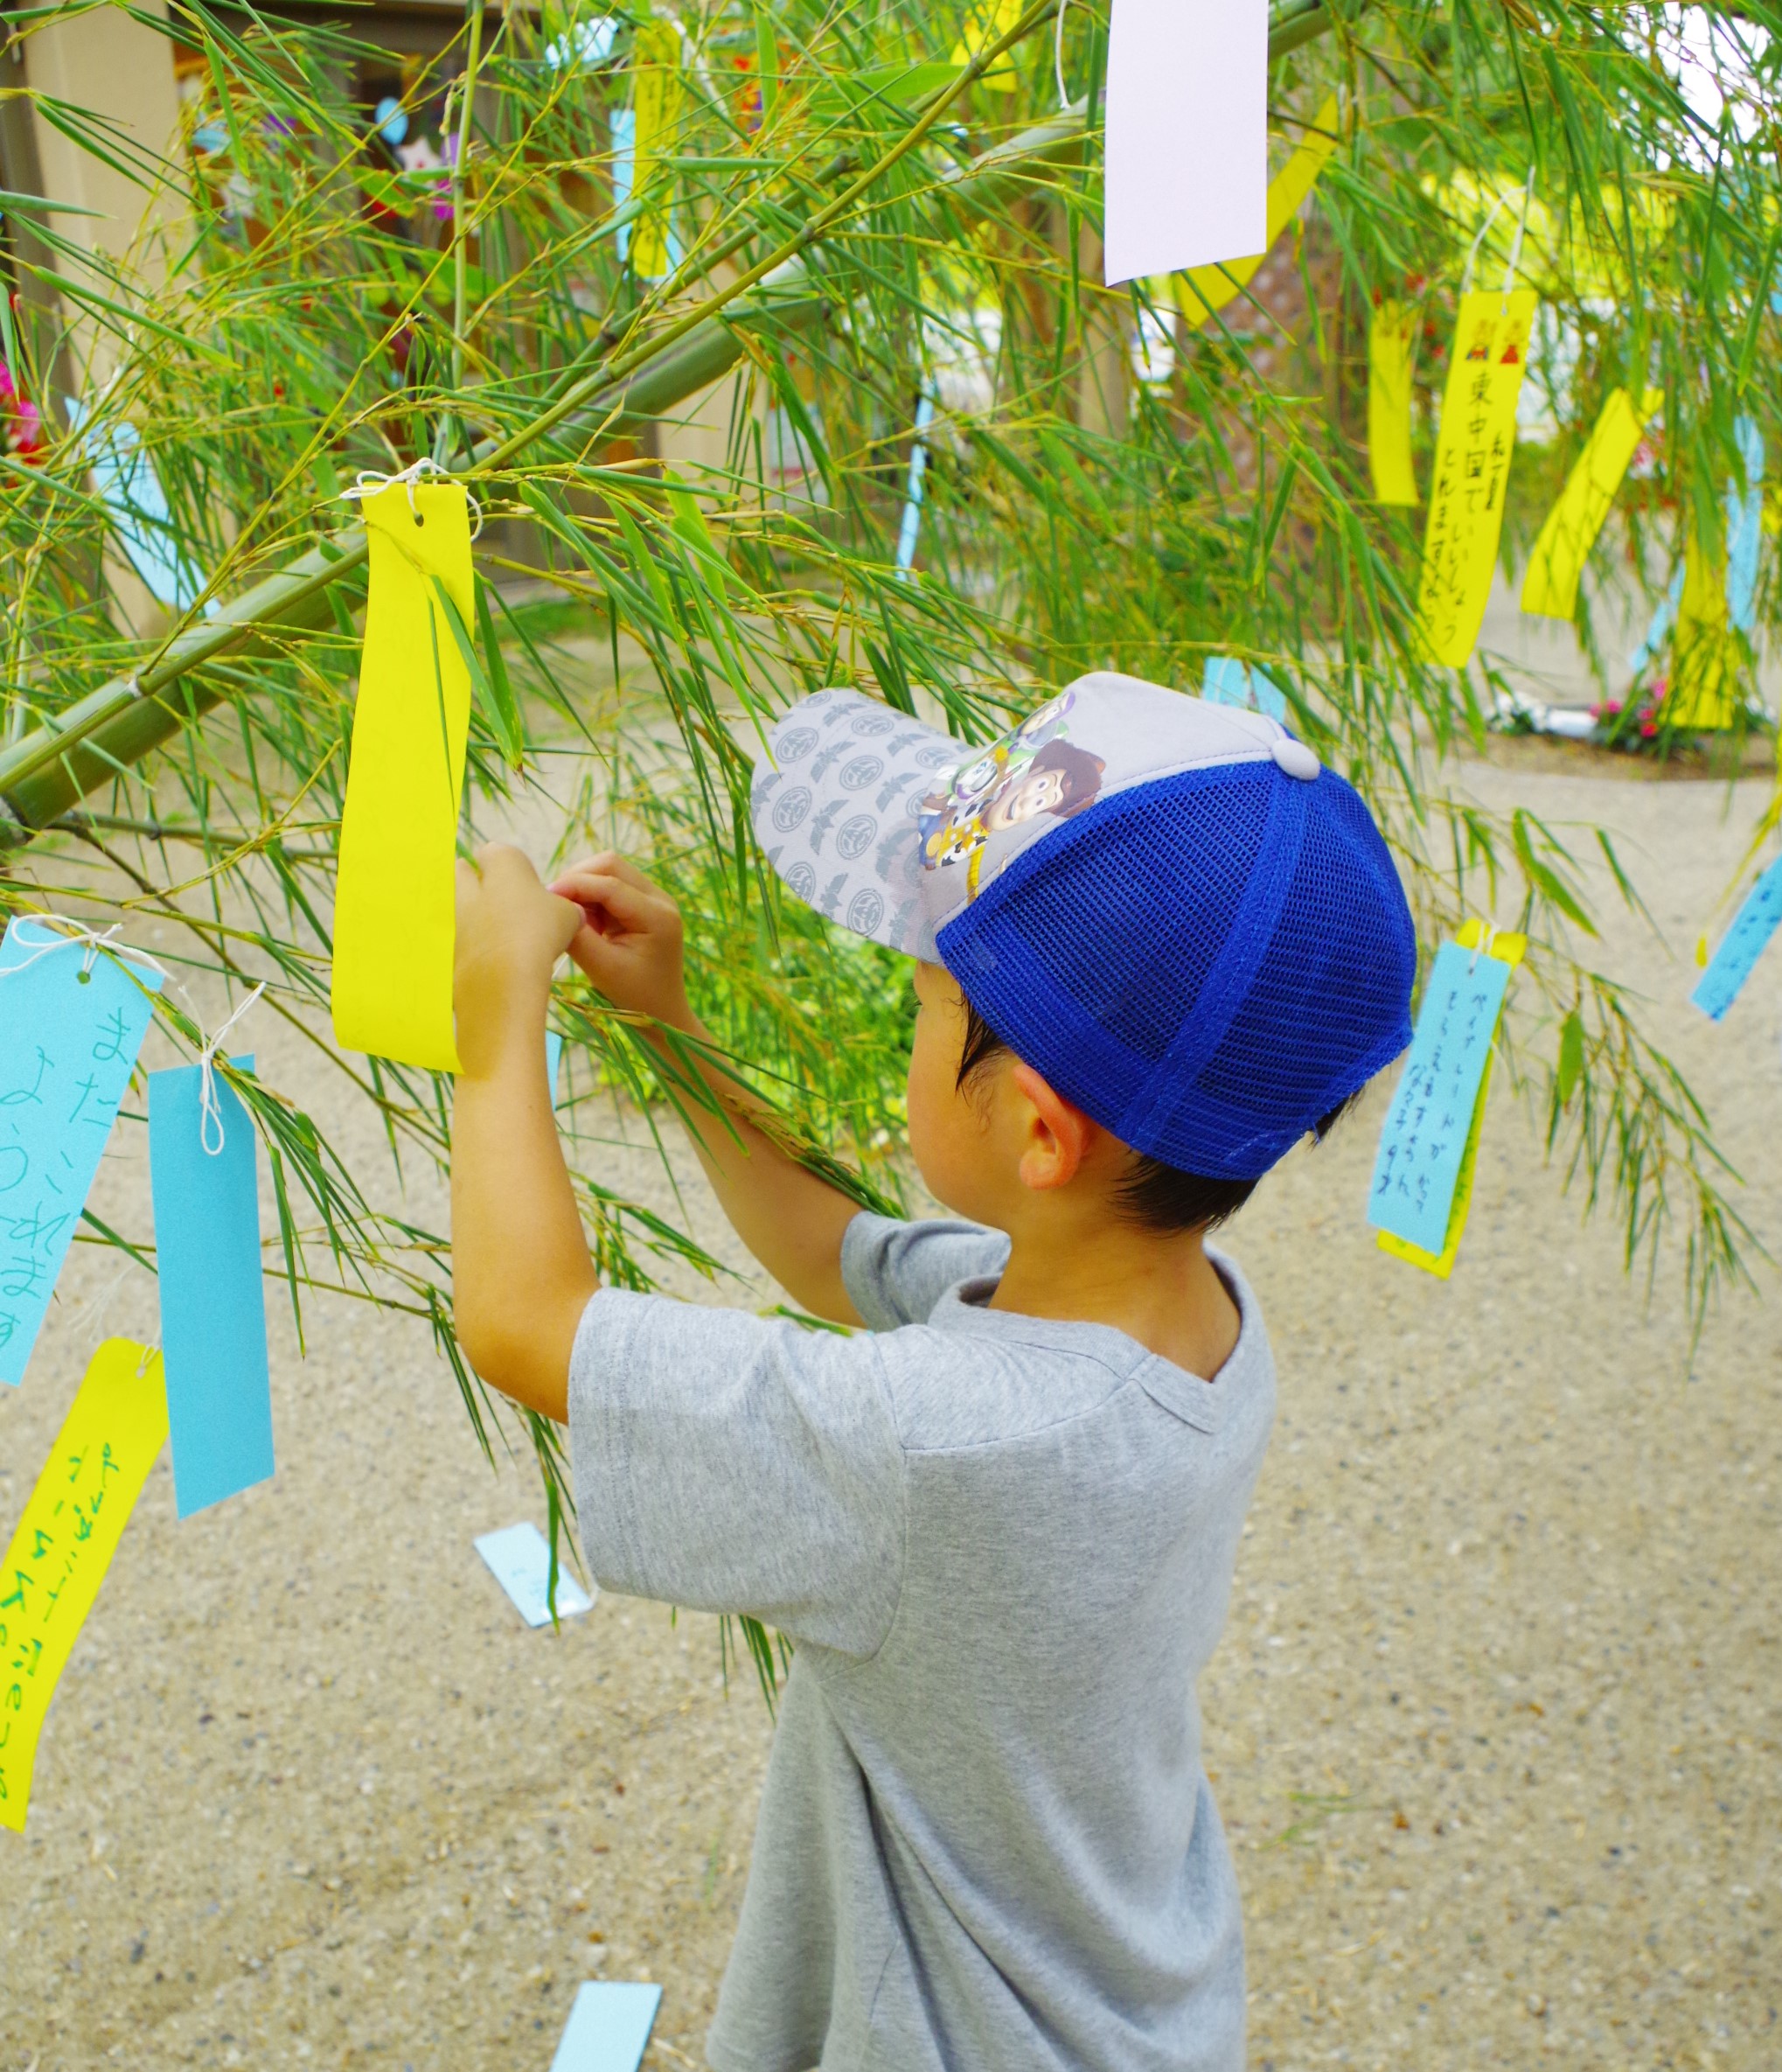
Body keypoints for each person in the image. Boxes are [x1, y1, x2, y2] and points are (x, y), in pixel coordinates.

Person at [449, 671, 1417, 2072]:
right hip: (1126, 1989)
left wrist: (497, 1034)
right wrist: (668, 1029)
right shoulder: (1186, 1315)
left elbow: (527, 1323)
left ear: (1036, 1131)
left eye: (924, 996)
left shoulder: (941, 1446)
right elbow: (832, 1250)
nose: (909, 1012)